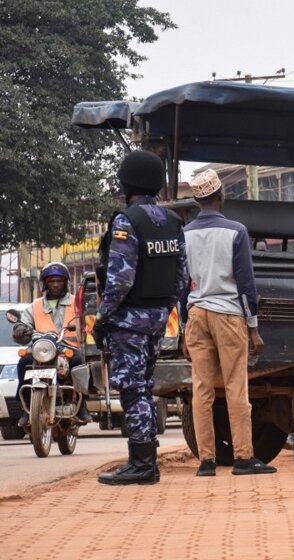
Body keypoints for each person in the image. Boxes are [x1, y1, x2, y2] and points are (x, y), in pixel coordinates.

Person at [95, 150, 188, 486]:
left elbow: (119, 279)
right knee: (144, 388)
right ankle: (144, 460)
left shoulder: (127, 221)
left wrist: (102, 318)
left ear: (127, 182)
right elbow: (181, 279)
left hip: (129, 321)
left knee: (132, 391)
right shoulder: (174, 221)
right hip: (157, 319)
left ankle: (142, 463)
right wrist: (162, 311)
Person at [183, 169, 276, 476]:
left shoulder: (185, 234)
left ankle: (206, 461)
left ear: (198, 201)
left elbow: (182, 284)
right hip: (228, 313)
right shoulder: (236, 231)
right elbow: (246, 284)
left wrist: (185, 328)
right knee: (236, 387)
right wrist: (253, 328)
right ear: (221, 196)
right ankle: (243, 457)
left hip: (196, 314)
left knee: (202, 389)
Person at [12, 262, 88, 427]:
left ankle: (82, 406)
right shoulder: (36, 305)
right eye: (51, 281)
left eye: (59, 281)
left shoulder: (77, 302)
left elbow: (88, 321)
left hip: (68, 347)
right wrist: (20, 328)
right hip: (42, 348)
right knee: (23, 363)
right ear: (45, 283)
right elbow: (24, 322)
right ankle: (26, 410)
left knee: (79, 363)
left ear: (65, 282)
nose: (55, 284)